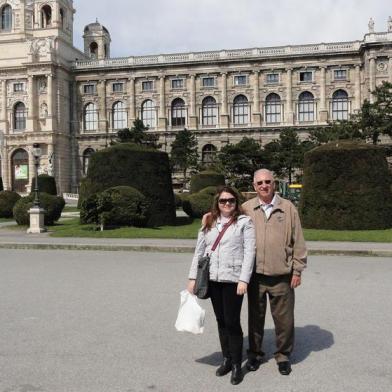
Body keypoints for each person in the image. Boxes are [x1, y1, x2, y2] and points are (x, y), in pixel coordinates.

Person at [188, 186, 255, 385]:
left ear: (236, 202)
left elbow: (249, 252)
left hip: (233, 279)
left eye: (231, 200)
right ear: (217, 203)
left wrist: (244, 279)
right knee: (221, 320)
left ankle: (236, 365)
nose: (227, 204)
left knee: (232, 322)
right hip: (213, 278)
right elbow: (199, 252)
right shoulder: (209, 221)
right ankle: (226, 358)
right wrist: (192, 278)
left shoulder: (245, 222)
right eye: (222, 201)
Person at [243, 169, 307, 376]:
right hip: (254, 276)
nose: (264, 185)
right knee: (255, 318)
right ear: (254, 186)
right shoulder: (246, 209)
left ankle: (283, 356)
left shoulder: (288, 208)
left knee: (284, 320)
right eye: (259, 182)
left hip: (282, 275)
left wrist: (297, 270)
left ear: (274, 183)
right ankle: (254, 354)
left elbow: (298, 242)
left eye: (267, 181)